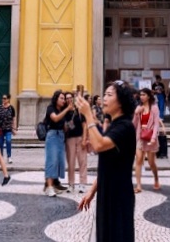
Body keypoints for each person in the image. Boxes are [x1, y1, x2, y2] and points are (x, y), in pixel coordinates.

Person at [76, 81, 137, 242]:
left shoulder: (125, 127)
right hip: (107, 193)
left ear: (121, 102)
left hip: (119, 195)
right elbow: (108, 165)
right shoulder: (114, 125)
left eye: (109, 95)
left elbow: (99, 145)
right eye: (104, 94)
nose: (104, 98)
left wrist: (88, 115)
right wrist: (91, 191)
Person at [44, 90, 72, 196]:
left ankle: (54, 185)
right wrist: (67, 110)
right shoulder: (51, 108)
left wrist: (69, 124)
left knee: (59, 162)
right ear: (56, 99)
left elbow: (64, 125)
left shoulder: (63, 110)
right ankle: (49, 187)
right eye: (61, 98)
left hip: (60, 136)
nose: (63, 100)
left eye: (64, 98)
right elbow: (55, 118)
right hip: (52, 135)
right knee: (52, 160)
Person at [132, 87, 161, 192]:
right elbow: (134, 124)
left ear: (149, 96)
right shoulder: (139, 108)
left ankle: (156, 178)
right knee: (138, 159)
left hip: (150, 136)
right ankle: (139, 185)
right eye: (140, 95)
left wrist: (154, 137)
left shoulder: (154, 108)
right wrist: (136, 113)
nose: (142, 97)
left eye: (144, 95)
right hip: (140, 136)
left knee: (151, 162)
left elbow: (156, 124)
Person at [65, 93, 87, 193]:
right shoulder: (64, 112)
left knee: (82, 161)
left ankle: (82, 184)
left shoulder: (79, 110)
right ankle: (71, 184)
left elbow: (84, 125)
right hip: (69, 139)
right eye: (67, 98)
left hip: (80, 137)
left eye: (70, 98)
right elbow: (64, 128)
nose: (69, 100)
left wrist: (84, 139)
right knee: (71, 162)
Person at [0, 94, 17, 165]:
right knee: (0, 144)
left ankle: (9, 156)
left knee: (8, 141)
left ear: (8, 99)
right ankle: (0, 158)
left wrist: (14, 128)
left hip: (8, 129)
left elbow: (14, 118)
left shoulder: (11, 108)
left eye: (5, 98)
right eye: (2, 98)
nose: (3, 100)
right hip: (0, 129)